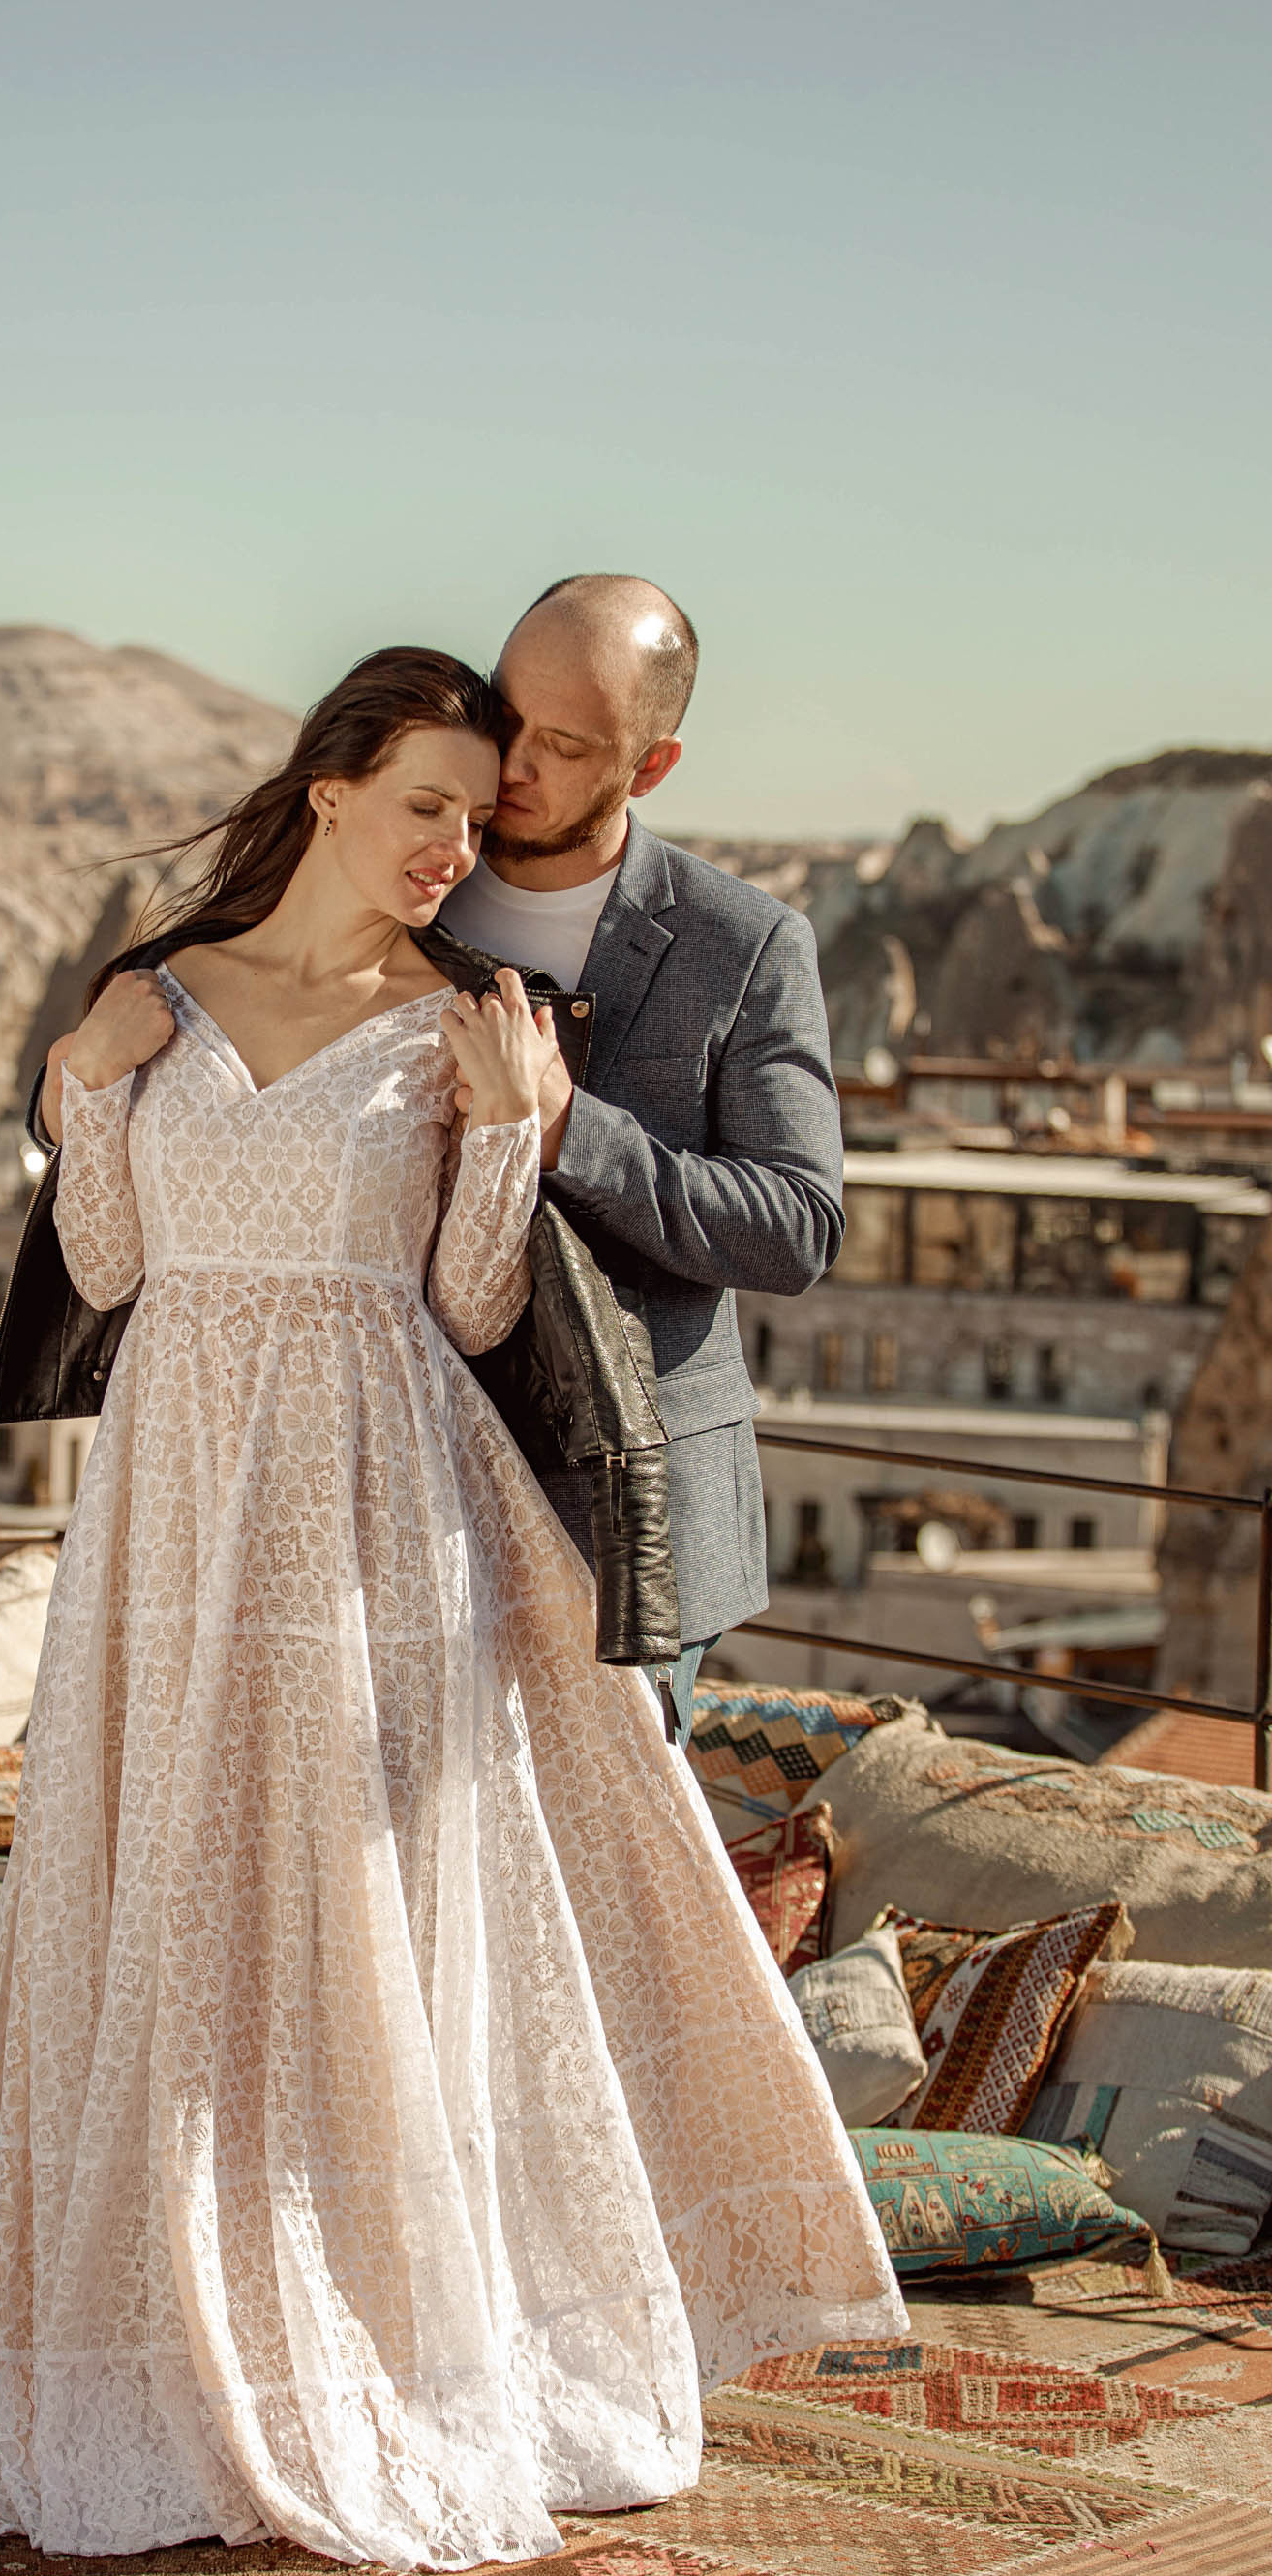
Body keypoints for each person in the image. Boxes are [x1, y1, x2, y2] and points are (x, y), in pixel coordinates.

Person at [0, 647, 903, 2571]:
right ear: (325, 794)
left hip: (377, 1511)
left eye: (480, 812)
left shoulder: (473, 1015)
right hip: (170, 1508)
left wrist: (522, 1126)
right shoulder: (153, 998)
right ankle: (174, 2368)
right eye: (428, 807)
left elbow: (465, 1310)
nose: (465, 843)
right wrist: (79, 1093)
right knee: (174, 1916)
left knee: (358, 1926)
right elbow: (113, 1269)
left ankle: (376, 2349)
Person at [445, 576, 844, 1745]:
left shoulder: (745, 945)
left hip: (632, 1522)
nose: (511, 763)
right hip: (409, 1488)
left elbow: (794, 1224)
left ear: (650, 766)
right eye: (503, 715)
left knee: (608, 1906)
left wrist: (571, 1129)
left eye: (562, 745)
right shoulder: (393, 877)